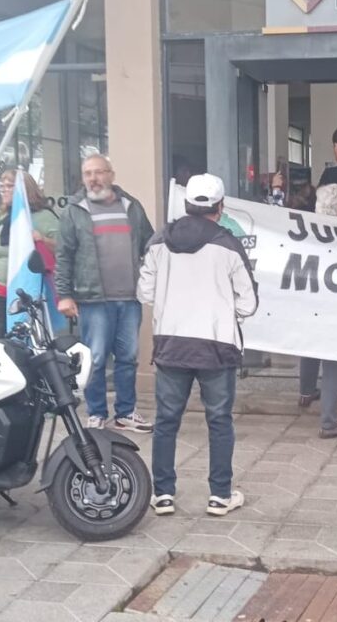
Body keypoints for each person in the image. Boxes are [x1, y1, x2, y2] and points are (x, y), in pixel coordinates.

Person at [138, 174, 258, 517]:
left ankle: (162, 494)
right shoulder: (228, 245)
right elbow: (247, 304)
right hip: (216, 347)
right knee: (219, 421)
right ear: (219, 208)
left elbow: (144, 293)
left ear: (187, 205)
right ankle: (220, 495)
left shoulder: (159, 242)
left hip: (171, 344)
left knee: (166, 421)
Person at [56, 154, 155, 432]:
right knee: (96, 359)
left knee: (127, 358)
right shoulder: (75, 210)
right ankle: (97, 413)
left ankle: (125, 413)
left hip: (129, 298)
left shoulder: (131, 206)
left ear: (111, 174)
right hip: (93, 299)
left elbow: (150, 243)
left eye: (99, 172)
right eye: (88, 173)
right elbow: (63, 256)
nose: (93, 178)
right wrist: (64, 294)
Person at [298, 183, 337, 439]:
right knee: (334, 361)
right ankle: (329, 422)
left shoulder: (305, 232)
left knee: (309, 347)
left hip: (309, 303)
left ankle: (306, 391)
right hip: (333, 307)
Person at [0, 169, 58, 338]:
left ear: (24, 189)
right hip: (1, 292)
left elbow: (62, 248)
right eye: (2, 186)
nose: (4, 190)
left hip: (31, 294)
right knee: (5, 338)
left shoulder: (44, 217)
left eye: (10, 186)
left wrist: (42, 238)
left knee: (32, 340)